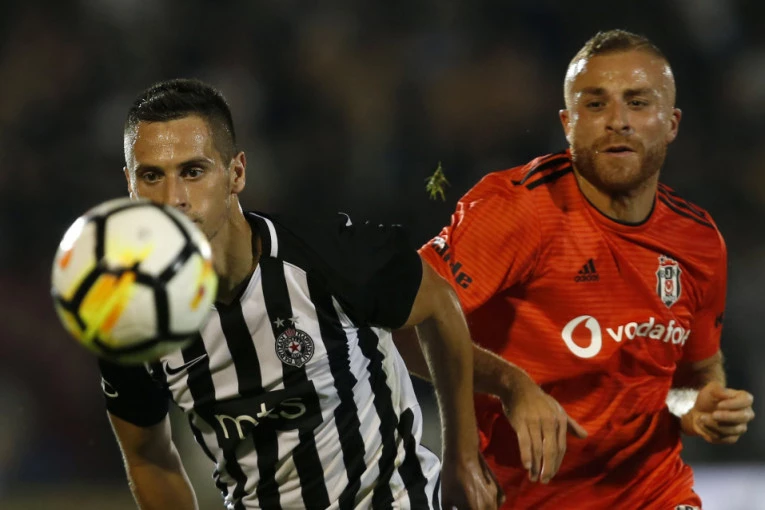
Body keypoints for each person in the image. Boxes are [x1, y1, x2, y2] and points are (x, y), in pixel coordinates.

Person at [98, 78, 501, 510]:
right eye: (151, 176)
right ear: (130, 186)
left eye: (193, 172)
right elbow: (148, 457)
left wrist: (462, 455)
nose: (173, 198)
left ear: (236, 174)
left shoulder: (328, 255)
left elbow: (438, 305)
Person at [396, 29, 755, 509]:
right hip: (522, 498)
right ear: (568, 122)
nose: (618, 122)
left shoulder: (699, 240)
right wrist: (510, 384)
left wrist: (701, 406)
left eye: (638, 103)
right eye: (595, 104)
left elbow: (691, 377)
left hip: (655, 495)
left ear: (671, 123)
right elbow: (404, 323)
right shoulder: (517, 210)